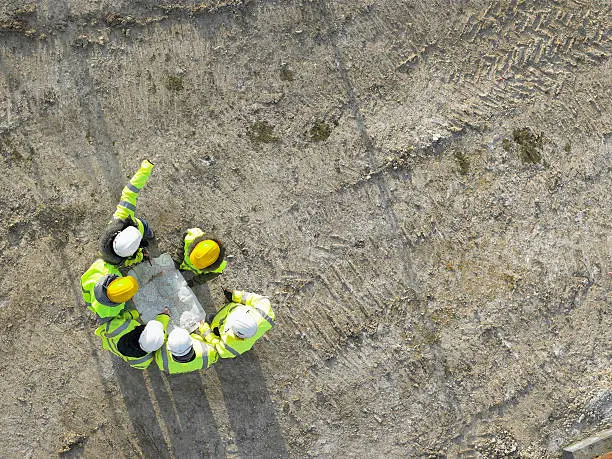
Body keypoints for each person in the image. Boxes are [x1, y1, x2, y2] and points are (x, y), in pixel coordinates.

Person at [98, 159, 155, 268]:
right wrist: (142, 256)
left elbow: (130, 192)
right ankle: (148, 233)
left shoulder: (122, 216)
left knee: (144, 226)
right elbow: (130, 259)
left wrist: (145, 169)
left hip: (141, 227)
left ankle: (148, 232)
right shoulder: (118, 259)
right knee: (144, 227)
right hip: (141, 229)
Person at [201, 288, 275, 359]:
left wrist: (205, 330)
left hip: (219, 326)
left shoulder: (229, 346)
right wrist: (235, 296)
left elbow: (215, 345)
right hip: (234, 312)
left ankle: (214, 323)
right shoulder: (264, 313)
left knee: (216, 324)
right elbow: (257, 299)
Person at [95, 308, 170, 369]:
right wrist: (164, 317)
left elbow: (103, 330)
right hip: (115, 349)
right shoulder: (144, 362)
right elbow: (156, 338)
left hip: (108, 343)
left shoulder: (120, 328)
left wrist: (134, 314)